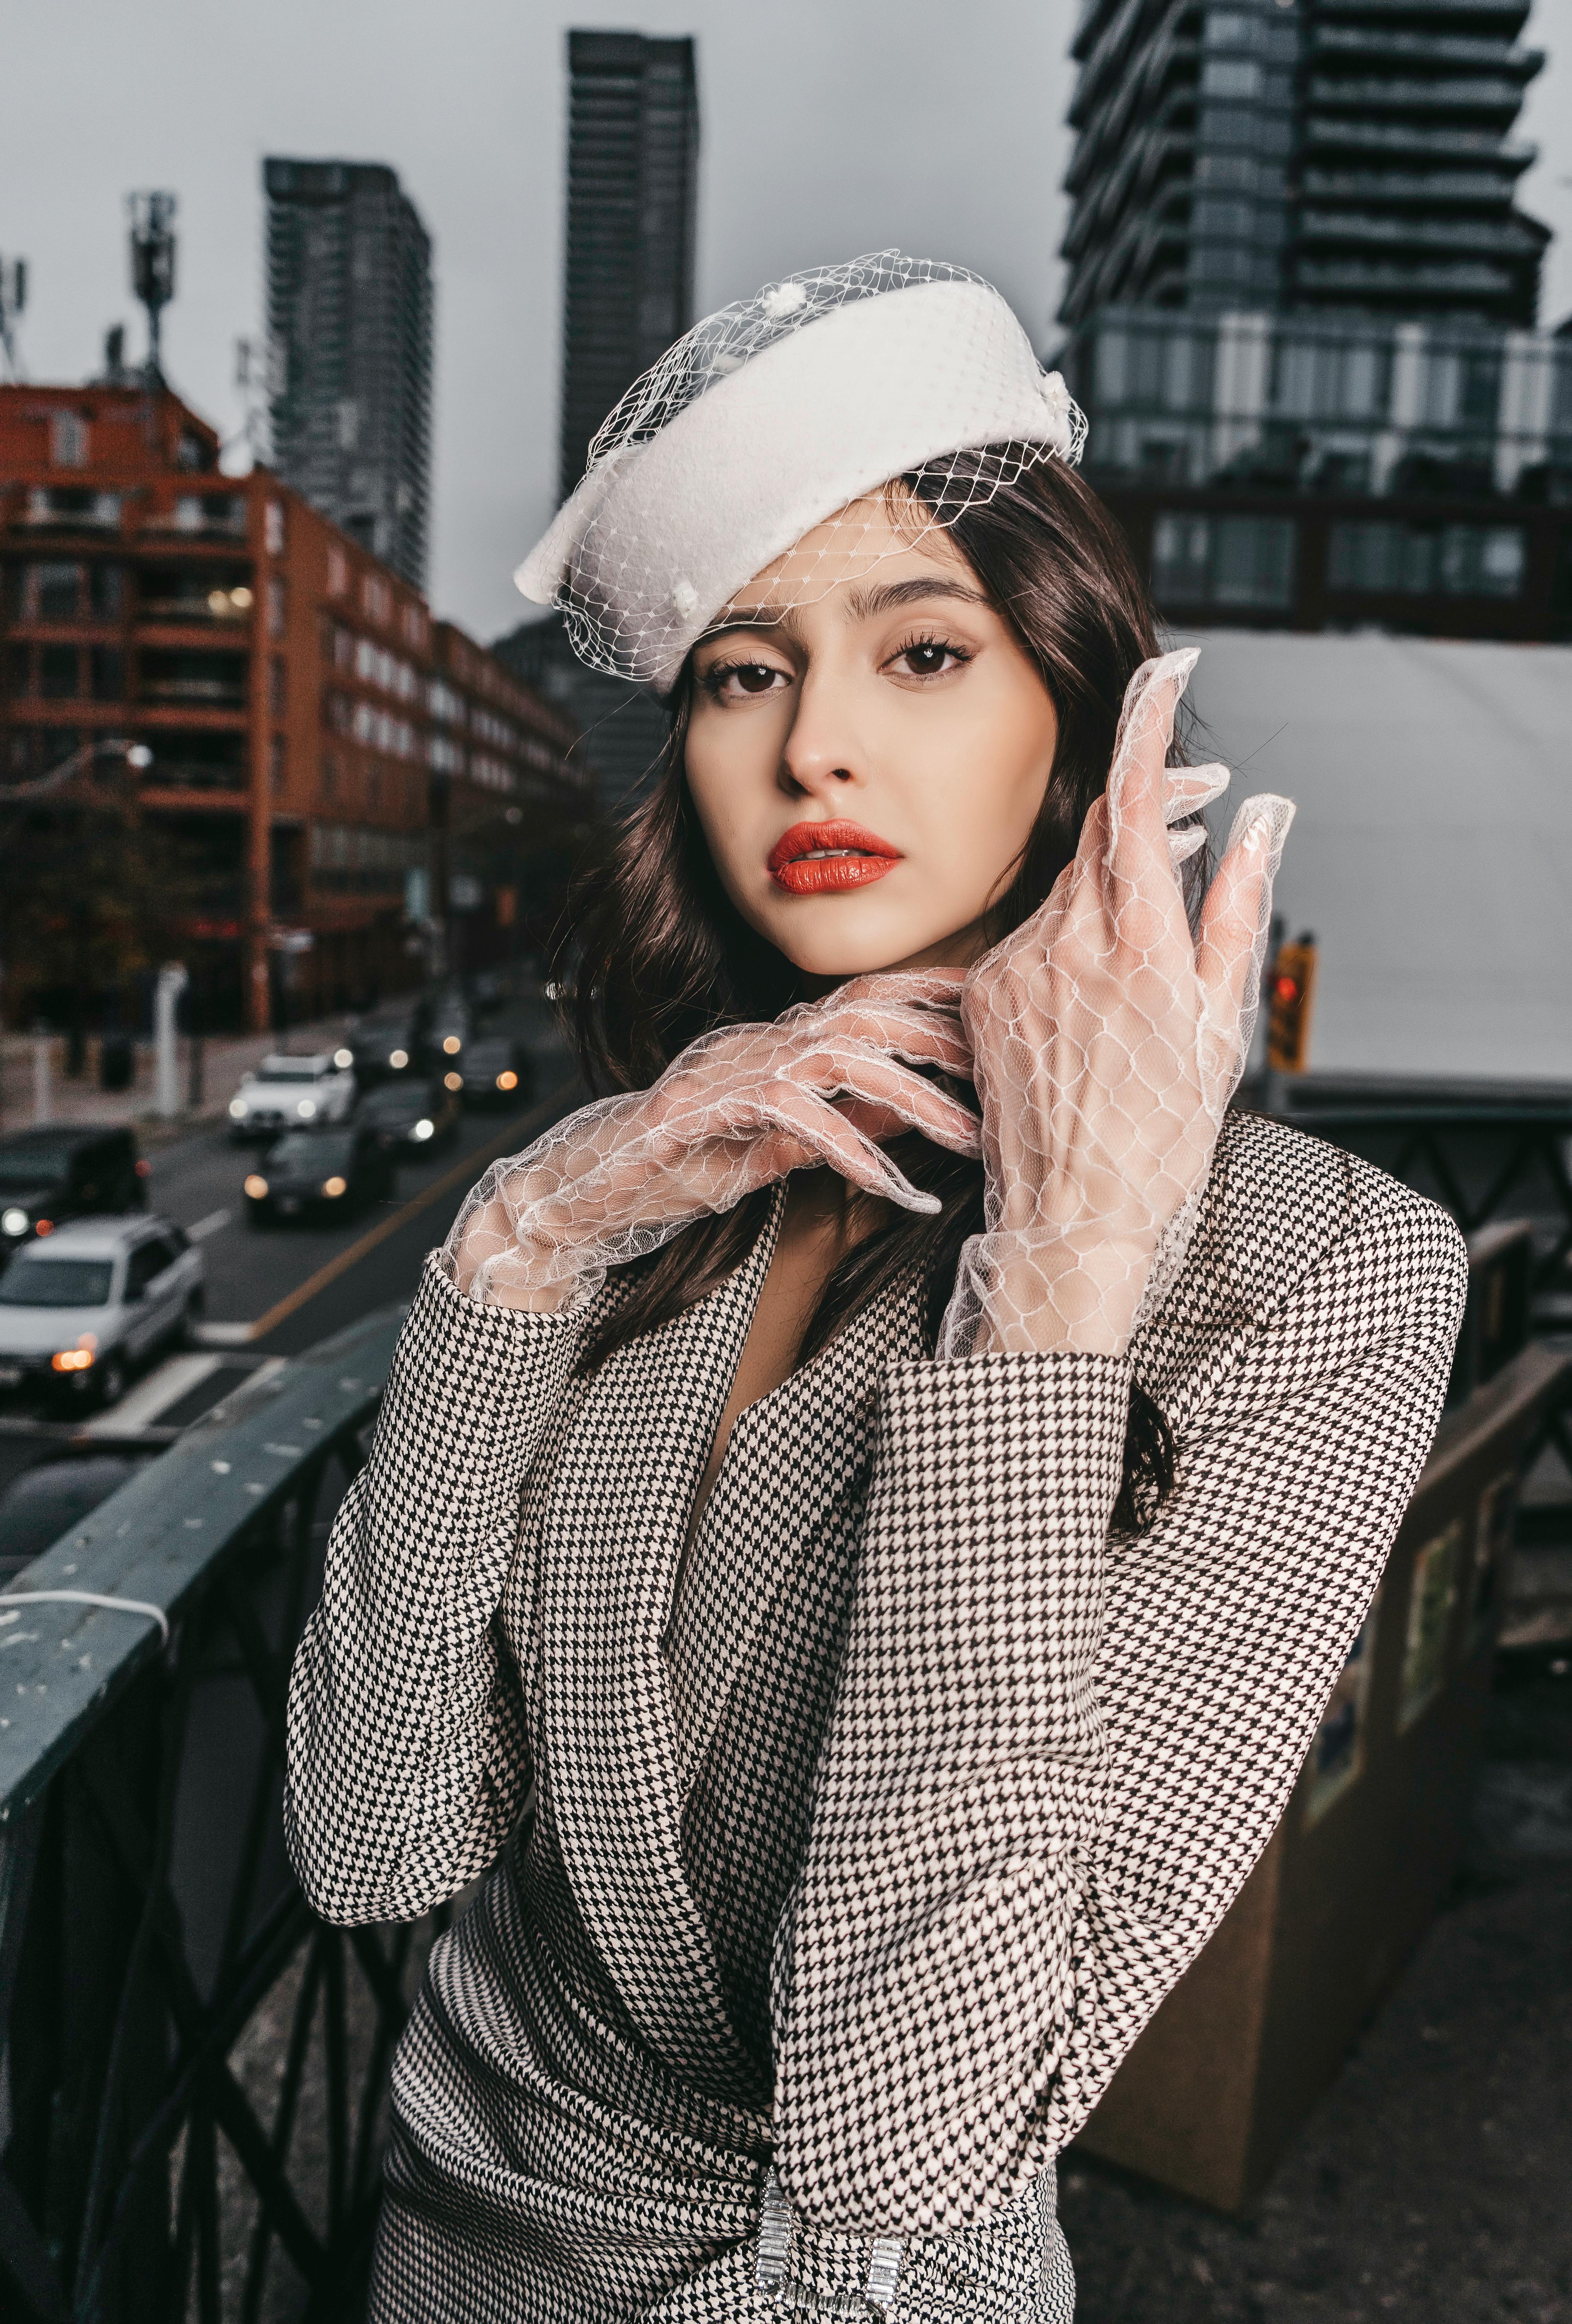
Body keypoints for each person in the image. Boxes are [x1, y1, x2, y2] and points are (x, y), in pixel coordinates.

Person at [285, 257, 1467, 2322]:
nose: (817, 742)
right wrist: (513, 1259)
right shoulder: (689, 1177)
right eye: (744, 674)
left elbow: (908, 2135)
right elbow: (369, 1845)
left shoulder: (1328, 1271)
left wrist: (1055, 1303)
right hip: (445, 2240)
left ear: (1080, 714)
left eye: (923, 650)